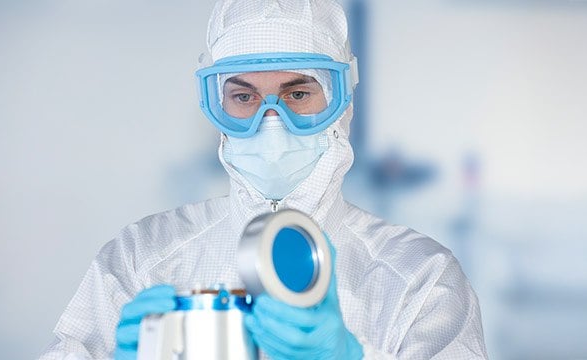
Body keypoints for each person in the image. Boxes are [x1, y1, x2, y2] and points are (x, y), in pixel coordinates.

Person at [40, 0, 488, 359]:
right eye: (243, 96)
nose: (271, 121)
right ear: (216, 106)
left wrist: (350, 357)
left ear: (341, 101)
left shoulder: (418, 279)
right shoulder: (140, 259)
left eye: (297, 93)